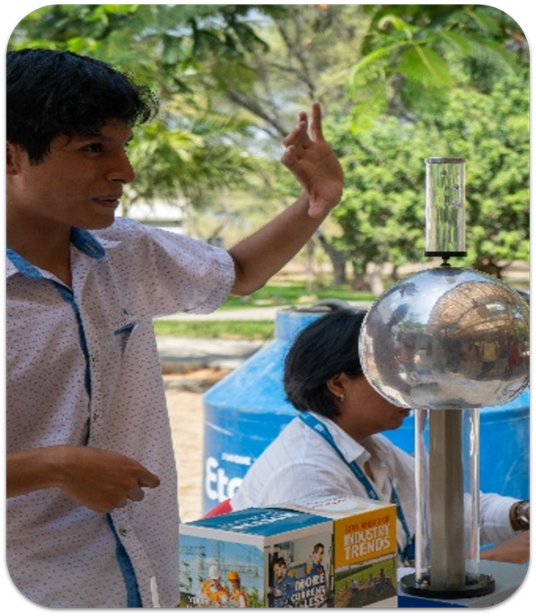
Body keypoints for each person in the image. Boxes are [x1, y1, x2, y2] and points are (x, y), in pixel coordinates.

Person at [6, 48, 344, 608]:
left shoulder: (125, 250)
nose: (124, 171)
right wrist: (51, 467)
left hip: (147, 572)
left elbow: (238, 273)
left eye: (123, 146)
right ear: (12, 155)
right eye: (94, 148)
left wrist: (316, 201)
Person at [230, 309, 530, 566]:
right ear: (338, 384)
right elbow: (354, 589)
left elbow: (443, 509)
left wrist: (522, 514)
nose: (411, 390)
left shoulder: (367, 445)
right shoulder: (306, 475)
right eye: (392, 378)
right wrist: (493, 558)